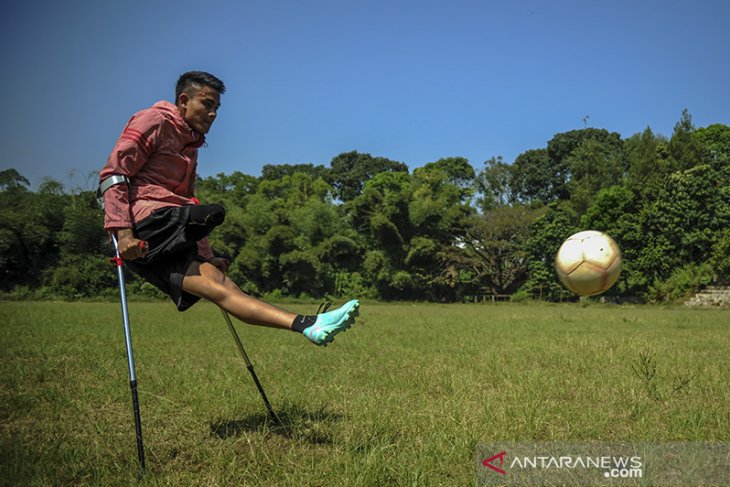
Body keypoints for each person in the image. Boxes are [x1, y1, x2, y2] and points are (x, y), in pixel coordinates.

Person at [99, 71, 358, 346]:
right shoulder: (154, 120)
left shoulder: (191, 146)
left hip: (166, 240)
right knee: (211, 214)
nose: (213, 114)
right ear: (184, 100)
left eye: (217, 108)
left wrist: (207, 257)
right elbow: (114, 174)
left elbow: (189, 198)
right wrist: (123, 234)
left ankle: (309, 325)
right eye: (207, 104)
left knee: (225, 289)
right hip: (145, 222)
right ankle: (308, 323)